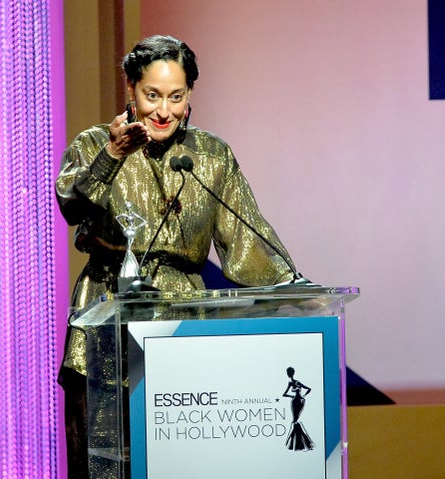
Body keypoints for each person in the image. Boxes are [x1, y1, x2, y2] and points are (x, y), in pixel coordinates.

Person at [56, 34, 299, 479]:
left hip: (183, 326)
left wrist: (294, 289)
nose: (163, 111)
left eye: (176, 96)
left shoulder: (210, 156)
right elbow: (72, 205)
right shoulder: (94, 145)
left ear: (190, 95)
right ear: (130, 88)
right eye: (151, 96)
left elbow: (248, 237)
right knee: (105, 468)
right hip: (104, 327)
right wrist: (112, 156)